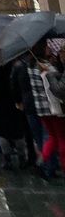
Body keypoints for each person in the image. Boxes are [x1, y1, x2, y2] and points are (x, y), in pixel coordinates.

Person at [39, 40, 65, 178]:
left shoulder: (32, 66)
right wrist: (51, 73)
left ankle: (43, 160)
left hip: (42, 108)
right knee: (60, 137)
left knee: (52, 137)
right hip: (56, 107)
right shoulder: (49, 69)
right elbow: (59, 89)